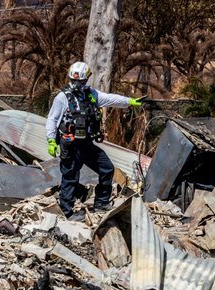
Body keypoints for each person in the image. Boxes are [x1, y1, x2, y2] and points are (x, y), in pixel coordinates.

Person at [46, 62, 143, 219]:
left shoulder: (91, 95)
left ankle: (101, 203)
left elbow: (111, 99)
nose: (76, 84)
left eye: (80, 81)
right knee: (70, 177)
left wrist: (130, 101)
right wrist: (51, 140)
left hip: (87, 145)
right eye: (73, 80)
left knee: (107, 168)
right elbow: (52, 119)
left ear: (85, 80)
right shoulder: (62, 98)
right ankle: (67, 212)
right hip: (71, 145)